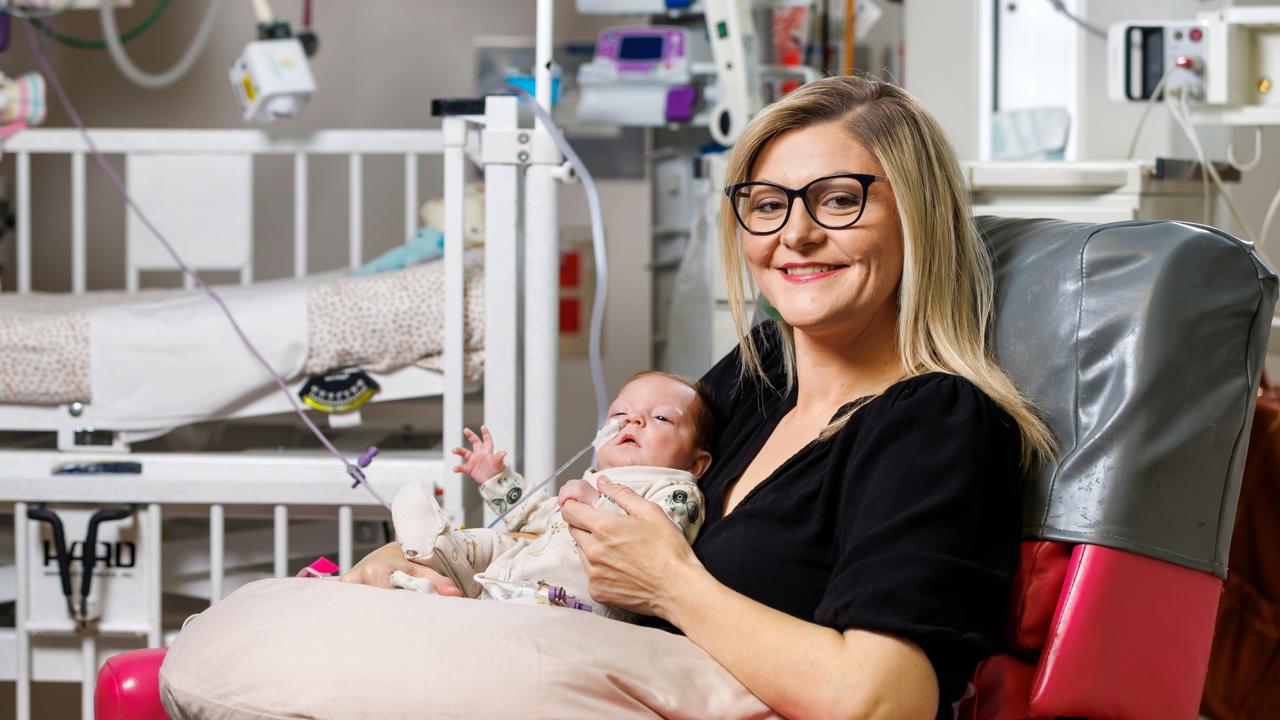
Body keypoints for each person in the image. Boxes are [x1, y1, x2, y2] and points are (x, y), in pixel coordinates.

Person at [344, 75, 1055, 720]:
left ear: (919, 218)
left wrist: (670, 583)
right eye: (768, 205)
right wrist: (447, 568)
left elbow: (882, 699)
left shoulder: (935, 421)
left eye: (840, 200)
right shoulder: (759, 372)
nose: (795, 235)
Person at [386, 370, 715, 622]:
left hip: (571, 602)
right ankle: (434, 550)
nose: (633, 420)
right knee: (488, 541)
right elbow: (534, 516)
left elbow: (653, 545)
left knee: (513, 596)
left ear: (696, 463)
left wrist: (595, 505)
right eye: (619, 414)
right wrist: (496, 479)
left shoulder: (675, 490)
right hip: (518, 571)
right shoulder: (595, 480)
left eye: (661, 417)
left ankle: (442, 591)